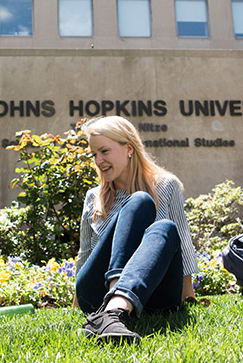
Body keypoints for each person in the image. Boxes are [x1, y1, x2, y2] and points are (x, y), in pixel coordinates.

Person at [76, 116, 199, 344]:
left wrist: (188, 296)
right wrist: (76, 304)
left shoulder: (166, 186)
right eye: (94, 155)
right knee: (139, 202)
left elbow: (182, 240)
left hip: (153, 293)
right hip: (98, 293)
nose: (98, 160)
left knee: (164, 226)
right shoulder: (94, 197)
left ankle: (114, 310)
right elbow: (85, 254)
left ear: (129, 148)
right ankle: (113, 309)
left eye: (104, 151)